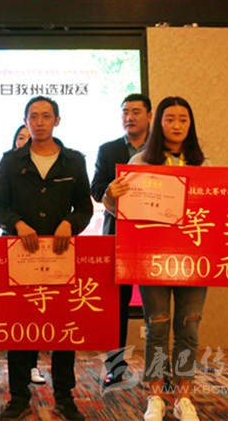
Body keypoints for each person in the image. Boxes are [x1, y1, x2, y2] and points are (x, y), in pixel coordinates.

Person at [102, 96, 209, 421]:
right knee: (157, 327)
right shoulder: (140, 162)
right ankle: (156, 396)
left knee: (189, 328)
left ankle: (184, 397)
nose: (176, 125)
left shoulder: (204, 165)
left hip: (193, 261)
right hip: (153, 260)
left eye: (183, 120)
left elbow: (223, 209)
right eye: (170, 119)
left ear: (190, 125)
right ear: (158, 123)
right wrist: (110, 195)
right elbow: (118, 210)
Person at [0, 96, 93, 421]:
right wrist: (16, 224)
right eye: (34, 116)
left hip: (61, 256)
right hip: (20, 254)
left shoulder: (73, 161)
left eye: (46, 116)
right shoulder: (10, 161)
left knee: (63, 328)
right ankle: (19, 397)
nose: (40, 122)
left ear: (57, 120)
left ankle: (64, 397)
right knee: (20, 328)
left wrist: (70, 223)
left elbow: (85, 208)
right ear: (25, 121)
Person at [90, 93, 152, 387]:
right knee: (118, 304)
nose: (129, 117)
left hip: (155, 238)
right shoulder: (109, 149)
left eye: (136, 111)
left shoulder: (161, 150)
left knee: (157, 307)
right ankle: (115, 367)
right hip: (119, 234)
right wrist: (109, 190)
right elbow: (96, 188)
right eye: (125, 111)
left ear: (149, 116)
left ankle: (160, 368)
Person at [6, 123, 48, 386]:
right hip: (15, 246)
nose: (25, 141)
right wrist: (16, 224)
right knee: (18, 313)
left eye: (28, 137)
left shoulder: (62, 163)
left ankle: (33, 365)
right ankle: (18, 378)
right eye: (20, 137)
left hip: (50, 250)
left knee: (40, 310)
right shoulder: (8, 165)